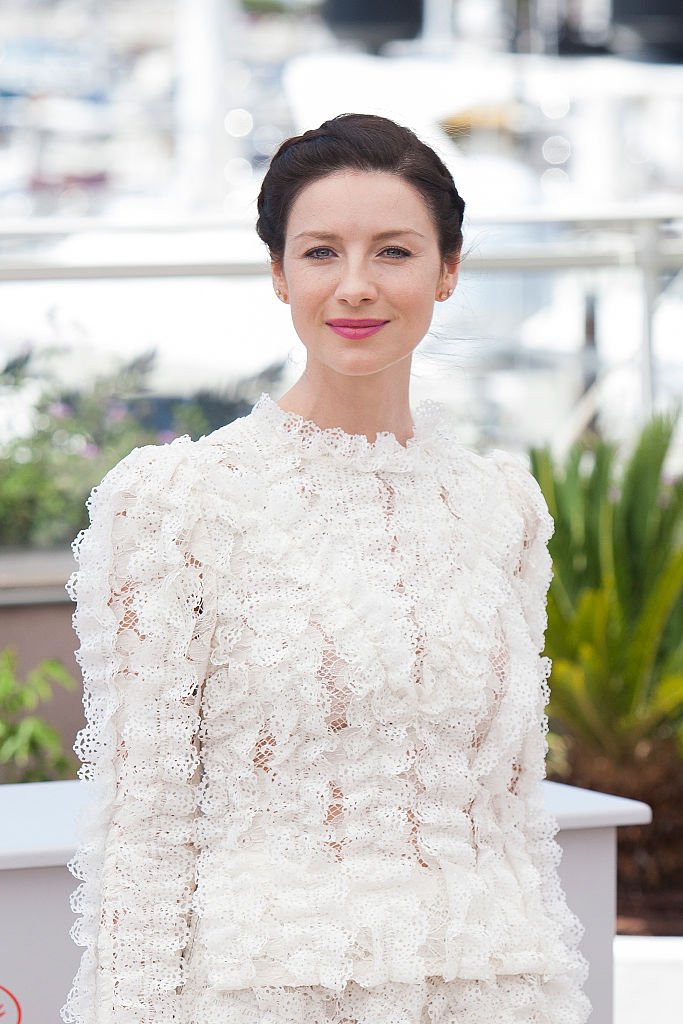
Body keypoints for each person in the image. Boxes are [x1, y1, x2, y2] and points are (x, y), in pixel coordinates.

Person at [61, 113, 592, 1024]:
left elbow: (510, 809)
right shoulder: (178, 499)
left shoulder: (503, 507)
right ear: (278, 274)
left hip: (498, 983)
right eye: (319, 253)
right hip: (268, 991)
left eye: (393, 251)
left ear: (447, 271)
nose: (355, 287)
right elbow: (144, 828)